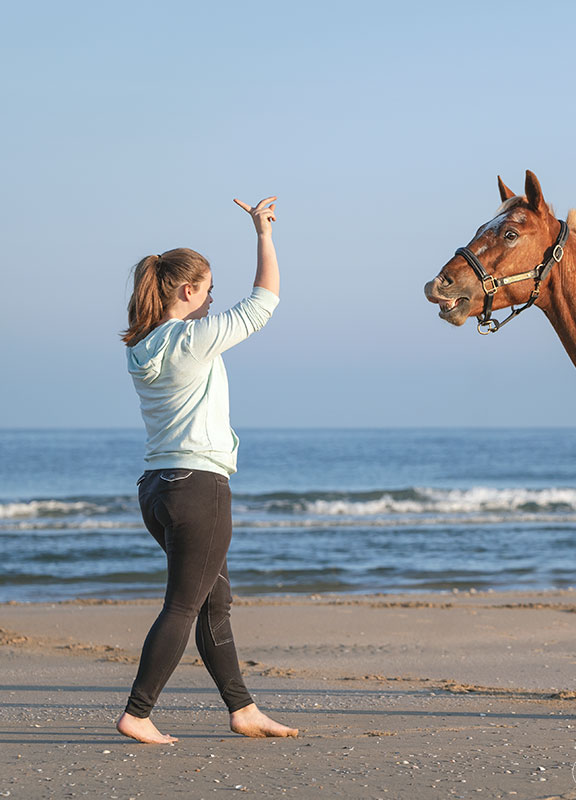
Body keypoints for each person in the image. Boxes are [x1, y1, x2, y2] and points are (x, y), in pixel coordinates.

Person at [116, 197, 297, 744]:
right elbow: (263, 303)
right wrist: (263, 232)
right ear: (185, 291)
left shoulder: (142, 346)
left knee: (213, 600)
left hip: (157, 490)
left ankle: (242, 709)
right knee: (183, 605)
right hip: (198, 488)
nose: (214, 297)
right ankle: (138, 711)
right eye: (208, 287)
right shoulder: (191, 340)